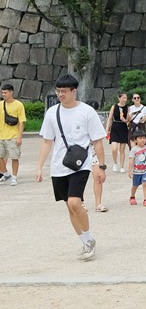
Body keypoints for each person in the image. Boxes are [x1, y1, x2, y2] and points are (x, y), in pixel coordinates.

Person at [34, 73, 108, 260]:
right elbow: (46, 142)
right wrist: (39, 167)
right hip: (59, 166)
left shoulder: (87, 112)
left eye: (64, 91)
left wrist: (101, 166)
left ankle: (88, 239)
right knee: (70, 207)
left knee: (75, 202)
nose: (60, 94)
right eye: (58, 91)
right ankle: (86, 240)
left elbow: (97, 141)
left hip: (80, 165)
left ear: (74, 91)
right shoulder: (52, 113)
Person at [0, 80, 26, 185]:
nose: (3, 94)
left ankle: (14, 177)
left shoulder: (18, 105)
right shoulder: (1, 104)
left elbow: (21, 122)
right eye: (2, 92)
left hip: (13, 136)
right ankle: (6, 174)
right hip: (1, 136)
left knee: (14, 157)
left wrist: (19, 137)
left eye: (5, 92)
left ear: (11, 92)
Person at [106, 92, 131, 171]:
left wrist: (125, 120)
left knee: (122, 149)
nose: (125, 100)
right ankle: (115, 163)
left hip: (123, 127)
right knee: (114, 148)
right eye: (123, 98)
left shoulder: (128, 108)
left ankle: (122, 166)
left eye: (126, 98)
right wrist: (107, 129)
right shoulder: (114, 107)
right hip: (115, 127)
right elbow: (110, 118)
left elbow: (128, 120)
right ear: (119, 98)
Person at [128, 132, 146, 206]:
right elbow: (131, 160)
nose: (142, 140)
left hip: (145, 171)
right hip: (136, 172)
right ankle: (132, 196)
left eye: (144, 138)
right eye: (140, 138)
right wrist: (130, 170)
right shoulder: (134, 150)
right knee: (135, 185)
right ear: (136, 140)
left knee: (145, 184)